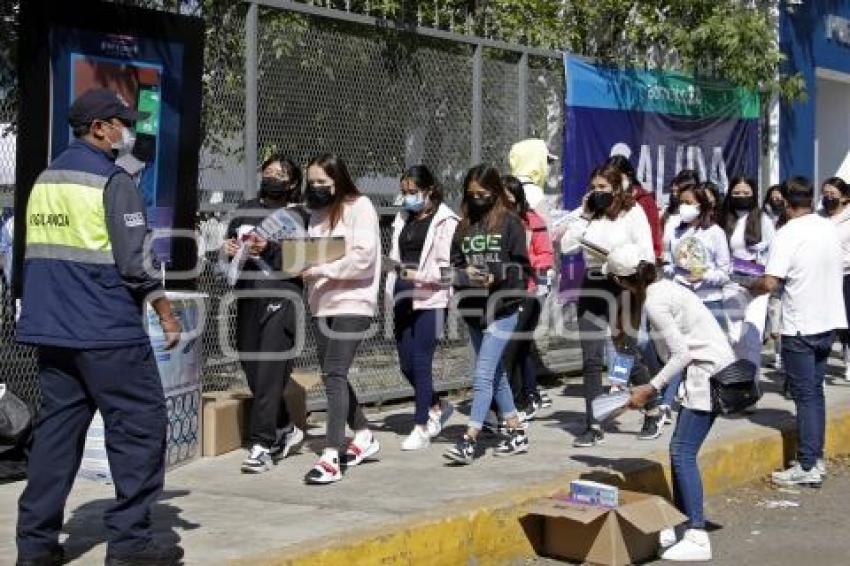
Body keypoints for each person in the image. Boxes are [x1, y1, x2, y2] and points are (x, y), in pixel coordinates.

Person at [15, 89, 182, 565]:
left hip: (53, 332)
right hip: (107, 331)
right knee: (140, 429)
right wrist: (165, 311)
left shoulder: (45, 180)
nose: (124, 132)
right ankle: (131, 547)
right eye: (118, 124)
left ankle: (35, 547)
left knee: (56, 435)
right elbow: (135, 263)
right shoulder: (112, 180)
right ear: (98, 128)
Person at [607, 244, 735, 562]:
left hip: (708, 375)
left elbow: (682, 353)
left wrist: (650, 389)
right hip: (706, 372)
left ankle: (696, 534)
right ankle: (683, 526)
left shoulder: (654, 301)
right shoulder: (662, 290)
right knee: (680, 450)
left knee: (681, 452)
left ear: (624, 281)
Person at [748, 177, 847, 487]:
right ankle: (814, 460)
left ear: (785, 204)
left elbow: (770, 281)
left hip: (800, 324)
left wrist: (748, 285)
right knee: (814, 394)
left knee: (805, 397)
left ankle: (807, 464)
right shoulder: (827, 227)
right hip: (827, 321)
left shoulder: (787, 233)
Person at [223, 154, 307, 473]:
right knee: (253, 370)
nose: (272, 177)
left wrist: (269, 249)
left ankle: (263, 444)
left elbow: (306, 259)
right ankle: (285, 427)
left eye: (280, 174)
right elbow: (225, 251)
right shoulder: (245, 209)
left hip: (282, 296)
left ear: (292, 183)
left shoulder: (298, 215)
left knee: (271, 371)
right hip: (247, 297)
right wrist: (227, 250)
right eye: (268, 171)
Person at [559, 163, 655, 447]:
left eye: (603, 187)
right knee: (591, 359)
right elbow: (566, 247)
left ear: (616, 187)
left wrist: (624, 262)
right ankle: (593, 423)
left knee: (626, 353)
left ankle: (653, 407)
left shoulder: (633, 212)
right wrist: (585, 215)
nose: (597, 192)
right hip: (592, 283)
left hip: (622, 283)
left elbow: (647, 253)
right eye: (594, 187)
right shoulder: (588, 213)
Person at [300, 154, 382, 484]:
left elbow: (364, 258)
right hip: (322, 302)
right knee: (334, 374)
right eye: (313, 182)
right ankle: (363, 433)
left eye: (324, 182)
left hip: (354, 302)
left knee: (334, 372)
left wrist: (321, 269)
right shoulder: (315, 214)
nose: (317, 188)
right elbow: (311, 254)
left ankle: (332, 455)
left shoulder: (360, 206)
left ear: (339, 180)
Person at [443, 164, 531, 464]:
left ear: (495, 193)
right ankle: (517, 431)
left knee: (482, 374)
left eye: (483, 194)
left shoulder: (510, 223)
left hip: (503, 308)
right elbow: (453, 263)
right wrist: (464, 272)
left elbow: (522, 268)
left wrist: (497, 275)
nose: (477, 199)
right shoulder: (463, 225)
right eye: (471, 194)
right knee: (496, 374)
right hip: (472, 308)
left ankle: (470, 438)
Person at [385, 165, 458, 450]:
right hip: (403, 295)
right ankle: (437, 404)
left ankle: (421, 426)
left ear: (429, 190)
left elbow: (446, 271)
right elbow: (395, 254)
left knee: (420, 359)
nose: (407, 198)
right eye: (403, 192)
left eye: (413, 192)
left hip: (432, 298)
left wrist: (418, 276)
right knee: (405, 363)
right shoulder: (402, 217)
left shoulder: (446, 220)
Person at [500, 175, 555, 417]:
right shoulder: (493, 222)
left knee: (512, 348)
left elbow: (546, 255)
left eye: (508, 197)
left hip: (527, 291)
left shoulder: (532, 221)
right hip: (498, 291)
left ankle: (517, 403)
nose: (504, 202)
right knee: (518, 349)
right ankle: (524, 398)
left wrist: (526, 264)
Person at [664, 182, 731, 329]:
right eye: (681, 202)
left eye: (688, 203)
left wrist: (703, 275)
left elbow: (725, 273)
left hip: (709, 301)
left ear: (701, 205)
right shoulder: (675, 232)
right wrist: (666, 267)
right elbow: (669, 263)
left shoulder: (715, 232)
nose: (683, 207)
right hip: (681, 300)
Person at [819, 176, 850, 381]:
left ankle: (849, 360)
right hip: (823, 275)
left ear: (844, 197)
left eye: (833, 194)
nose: (829, 197)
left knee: (848, 319)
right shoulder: (818, 217)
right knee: (827, 322)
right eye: (826, 194)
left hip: (847, 274)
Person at [606, 154, 663, 261]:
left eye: (617, 177)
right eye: (610, 178)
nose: (614, 182)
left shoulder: (645, 200)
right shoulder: (608, 199)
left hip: (637, 263)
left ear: (629, 175)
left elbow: (654, 235)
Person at [762, 184, 786, 372]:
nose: (776, 200)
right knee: (775, 318)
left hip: (788, 275)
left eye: (780, 197)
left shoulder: (789, 218)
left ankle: (783, 358)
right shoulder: (762, 217)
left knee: (786, 321)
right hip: (770, 271)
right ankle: (778, 357)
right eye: (773, 197)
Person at [508, 138, 557, 224]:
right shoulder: (533, 192)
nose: (549, 166)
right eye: (547, 161)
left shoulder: (507, 184)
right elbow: (548, 232)